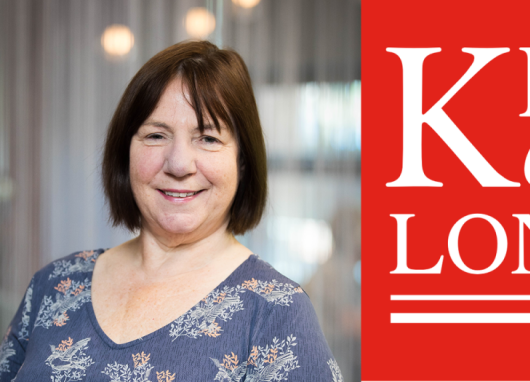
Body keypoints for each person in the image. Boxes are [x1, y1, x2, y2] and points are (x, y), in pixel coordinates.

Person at [0, 41, 341, 382]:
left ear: (242, 161)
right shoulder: (54, 286)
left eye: (208, 138)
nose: (179, 164)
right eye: (156, 135)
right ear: (126, 153)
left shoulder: (277, 315)